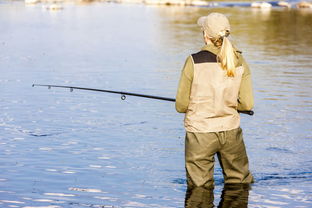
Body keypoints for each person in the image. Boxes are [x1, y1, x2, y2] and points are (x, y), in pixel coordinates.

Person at [175, 12, 254, 190]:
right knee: (240, 184)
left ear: (205, 35)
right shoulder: (240, 60)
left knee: (199, 188)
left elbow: (181, 105)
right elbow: (247, 104)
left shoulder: (193, 61)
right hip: (231, 132)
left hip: (200, 133)